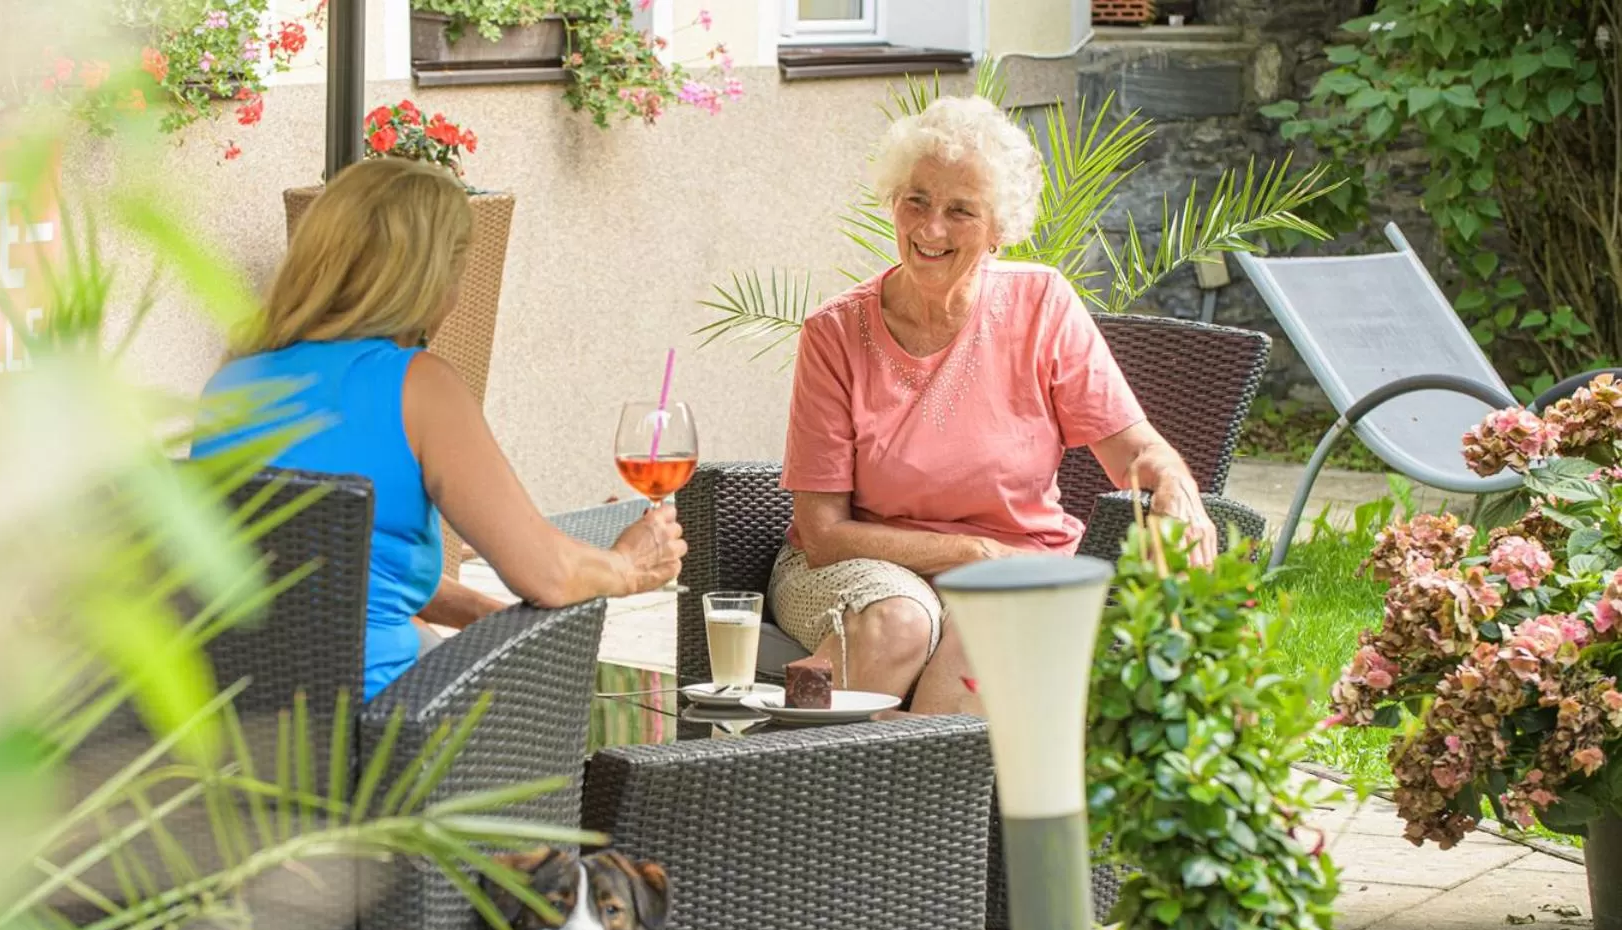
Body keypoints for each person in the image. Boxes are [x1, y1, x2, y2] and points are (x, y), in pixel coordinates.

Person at [774, 94, 1216, 715]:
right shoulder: (836, 333)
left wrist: (1175, 484)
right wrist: (970, 551)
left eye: (961, 211)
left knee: (984, 634)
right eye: (917, 201)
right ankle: (799, 786)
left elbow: (1135, 450)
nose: (930, 229)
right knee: (899, 621)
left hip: (1015, 570)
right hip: (858, 566)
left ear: (1000, 229)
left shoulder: (1041, 306)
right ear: (892, 200)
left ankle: (893, 802)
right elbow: (822, 535)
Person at [195, 157, 684, 699]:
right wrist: (628, 566)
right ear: (429, 278)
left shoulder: (232, 381)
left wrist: (475, 610)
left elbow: (322, 564)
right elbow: (548, 574)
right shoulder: (418, 385)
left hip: (237, 718)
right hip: (376, 732)